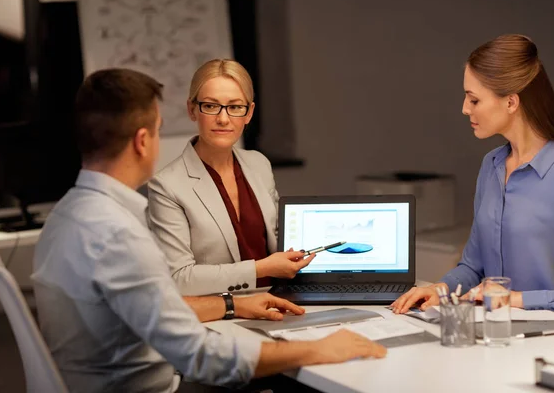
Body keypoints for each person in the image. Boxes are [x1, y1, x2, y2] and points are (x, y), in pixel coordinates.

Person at [32, 68, 386, 393]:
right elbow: (199, 355)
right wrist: (315, 350)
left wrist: (232, 304)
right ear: (143, 141)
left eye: (234, 107)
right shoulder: (118, 235)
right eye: (158, 130)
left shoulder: (67, 214)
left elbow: (153, 309)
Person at [392, 34, 554, 318]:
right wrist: (441, 289)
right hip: (494, 337)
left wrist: (517, 299)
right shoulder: (491, 166)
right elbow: (474, 266)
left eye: (474, 99)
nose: (464, 108)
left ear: (511, 102)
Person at [148, 59, 310, 296]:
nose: (223, 119)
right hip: (221, 312)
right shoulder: (167, 185)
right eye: (211, 106)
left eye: (234, 107)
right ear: (192, 110)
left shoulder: (259, 164)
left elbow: (278, 239)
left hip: (277, 300)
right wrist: (260, 268)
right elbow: (179, 279)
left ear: (249, 113)